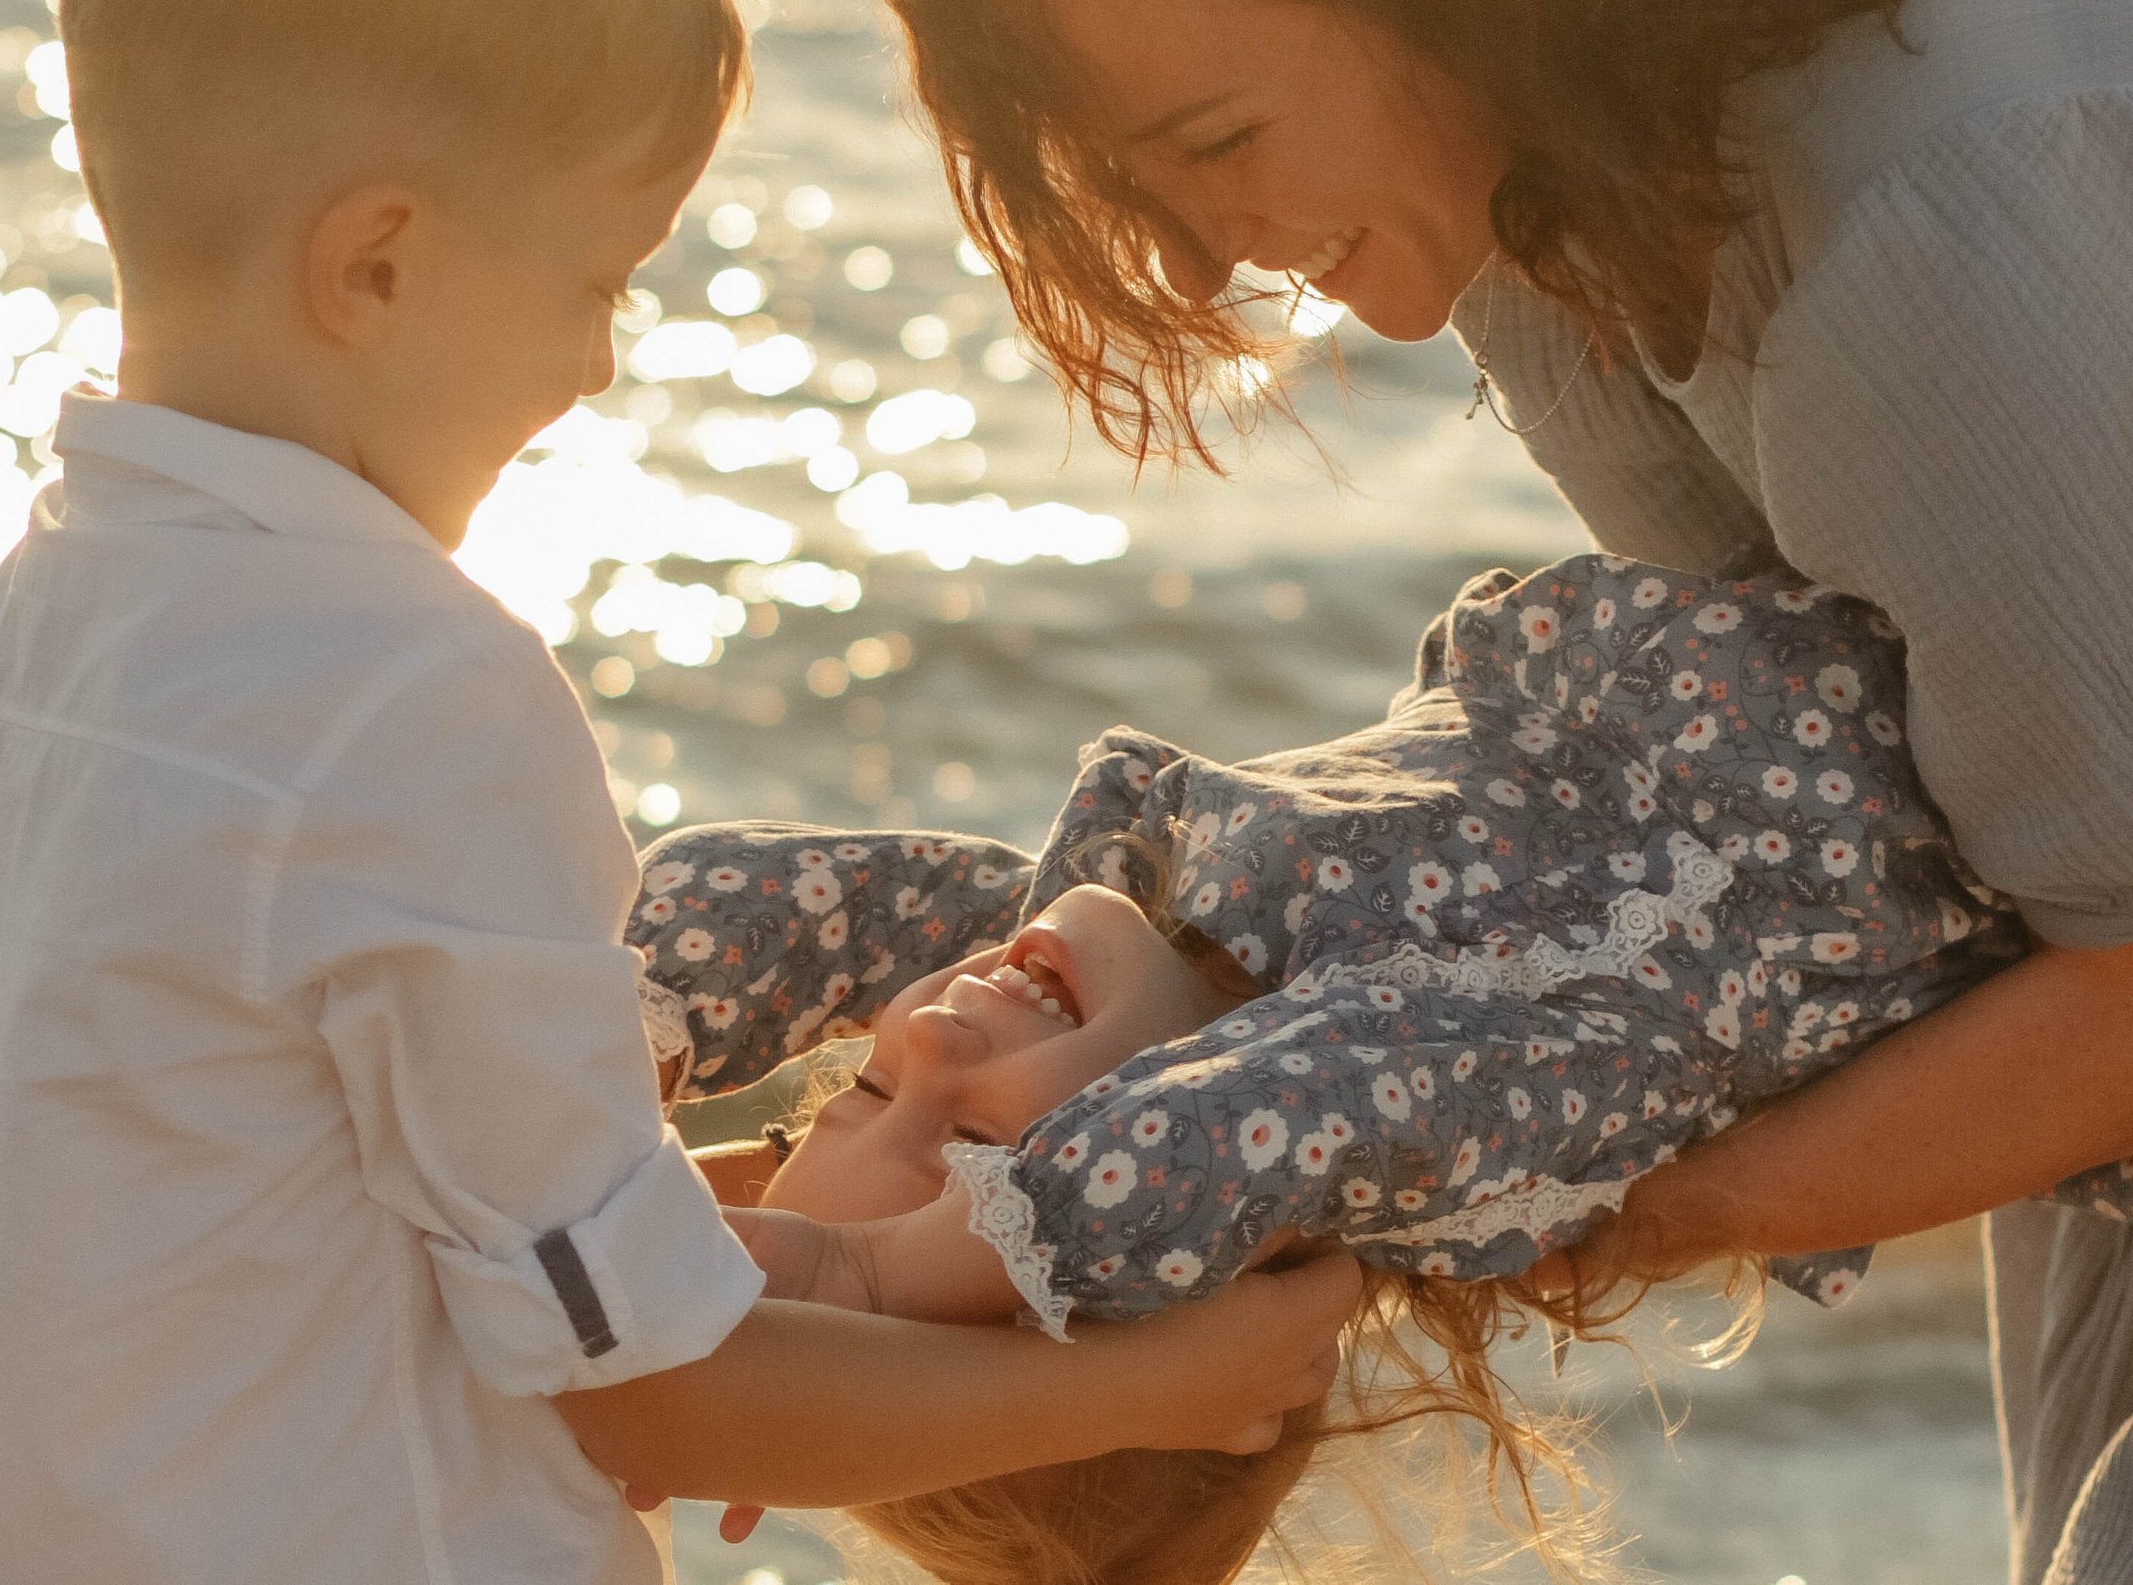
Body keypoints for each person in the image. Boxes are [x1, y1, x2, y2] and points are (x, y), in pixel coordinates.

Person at [0, 0, 1361, 1581]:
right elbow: (650, 1393)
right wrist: (1154, 1385)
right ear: (376, 262)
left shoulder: (12, 672)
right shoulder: (406, 689)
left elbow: (284, 1210)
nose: (603, 365)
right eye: (597, 279)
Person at [874, 0, 2133, 1577]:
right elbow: (1848, 813)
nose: (1190, 262)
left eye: (1222, 137)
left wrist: (1614, 1212)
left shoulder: (1918, 230)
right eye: (1135, 194)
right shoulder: (1544, 195)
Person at [635, 550, 2040, 1583]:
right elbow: (1224, 1136)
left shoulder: (1131, 978)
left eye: (863, 1090)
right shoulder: (1408, 1112)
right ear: (1196, 1247)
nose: (927, 1032)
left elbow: (821, 912)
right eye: (983, 1174)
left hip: (1800, 595)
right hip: (1988, 718)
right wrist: (858, 1281)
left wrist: (619, 1051)